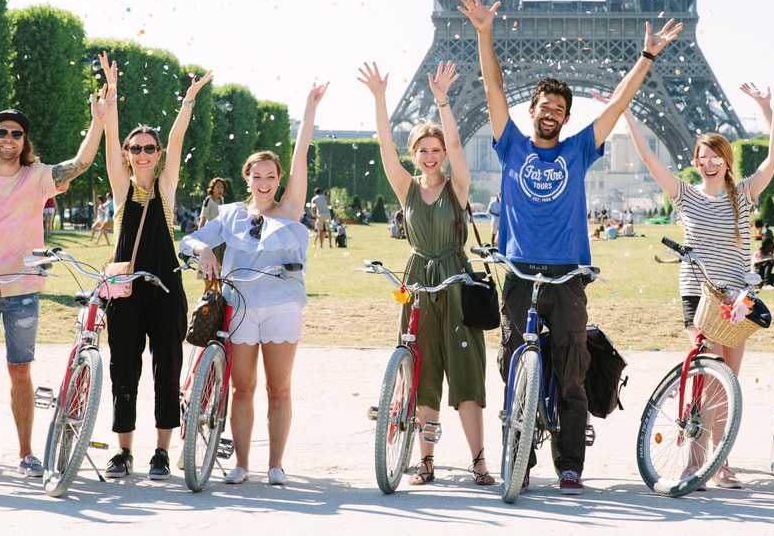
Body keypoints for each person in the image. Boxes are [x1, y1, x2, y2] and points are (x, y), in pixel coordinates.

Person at [460, 0, 682, 493]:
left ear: (566, 115)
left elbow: (621, 100)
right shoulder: (511, 143)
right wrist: (484, 33)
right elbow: (494, 87)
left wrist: (645, 57)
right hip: (517, 269)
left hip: (567, 274)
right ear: (533, 109)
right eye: (545, 104)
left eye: (560, 107)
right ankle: (517, 449)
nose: (552, 112)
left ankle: (569, 464)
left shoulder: (581, 148)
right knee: (512, 360)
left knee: (571, 367)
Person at [617, 76, 774, 487]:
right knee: (706, 375)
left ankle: (719, 459)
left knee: (727, 380)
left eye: (715, 157)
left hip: (736, 296)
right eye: (702, 157)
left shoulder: (743, 195)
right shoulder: (685, 195)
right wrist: (625, 109)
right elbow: (647, 157)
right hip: (698, 294)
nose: (708, 163)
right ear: (695, 162)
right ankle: (697, 462)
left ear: (727, 160)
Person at [0, 97, 106, 478]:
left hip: (21, 289)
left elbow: (79, 164)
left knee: (20, 371)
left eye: (16, 133)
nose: (9, 138)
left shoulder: (37, 178)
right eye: (2, 132)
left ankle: (27, 453)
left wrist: (97, 122)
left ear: (24, 141)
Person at [181, 82, 325, 486]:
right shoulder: (229, 216)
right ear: (247, 179)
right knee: (242, 388)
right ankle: (242, 463)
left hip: (281, 307)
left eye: (271, 175)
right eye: (256, 175)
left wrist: (309, 109)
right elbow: (188, 241)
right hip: (239, 307)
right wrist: (203, 253)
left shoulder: (291, 209)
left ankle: (275, 464)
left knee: (278, 388)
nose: (264, 181)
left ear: (279, 179)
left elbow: (301, 157)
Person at [360, 59, 494, 487]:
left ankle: (479, 460)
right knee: (421, 370)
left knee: (467, 371)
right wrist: (380, 98)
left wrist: (442, 101)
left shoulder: (457, 186)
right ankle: (426, 461)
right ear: (414, 154)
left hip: (455, 276)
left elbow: (456, 145)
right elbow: (384, 148)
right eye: (424, 150)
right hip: (418, 277)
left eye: (436, 151)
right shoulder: (407, 188)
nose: (433, 156)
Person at [96, 53, 211, 480]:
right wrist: (111, 98)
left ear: (157, 153)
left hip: (166, 291)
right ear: (127, 156)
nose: (142, 153)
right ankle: (124, 450)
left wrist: (188, 101)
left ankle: (161, 451)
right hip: (125, 291)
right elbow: (109, 141)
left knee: (168, 366)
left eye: (149, 148)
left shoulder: (165, 187)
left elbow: (179, 140)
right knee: (123, 367)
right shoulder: (122, 190)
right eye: (135, 148)